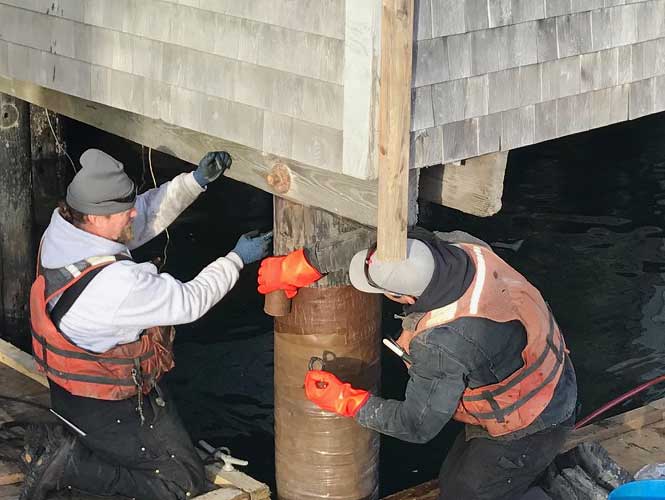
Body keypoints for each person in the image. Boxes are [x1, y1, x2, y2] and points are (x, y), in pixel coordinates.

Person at [22, 149, 272, 500]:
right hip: (106, 407)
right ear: (95, 217)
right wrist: (234, 260)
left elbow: (145, 216)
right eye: (124, 209)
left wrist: (193, 183)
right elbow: (189, 301)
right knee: (181, 482)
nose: (134, 211)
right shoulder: (117, 285)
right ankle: (72, 464)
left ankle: (74, 446)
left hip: (67, 393)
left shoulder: (64, 229)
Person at [257, 229, 577, 500]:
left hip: (534, 419)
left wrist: (349, 402)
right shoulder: (454, 246)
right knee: (452, 478)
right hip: (540, 370)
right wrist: (304, 262)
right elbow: (381, 237)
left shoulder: (443, 342)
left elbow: (417, 425)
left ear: (405, 298)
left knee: (464, 493)